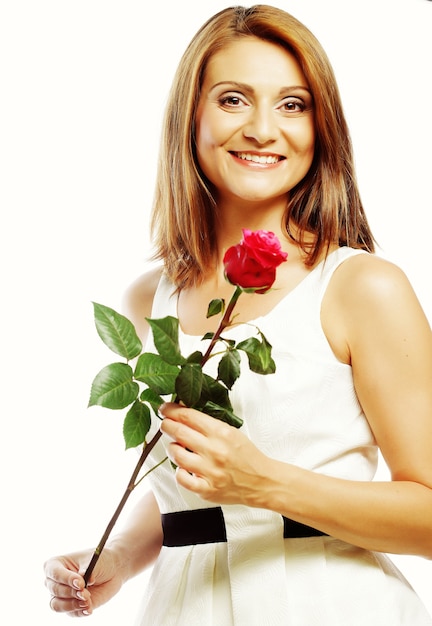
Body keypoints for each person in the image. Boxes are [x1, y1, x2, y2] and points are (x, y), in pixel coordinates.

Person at [44, 5, 432, 624]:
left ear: (321, 126)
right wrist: (117, 555)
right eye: (232, 100)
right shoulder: (150, 300)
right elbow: (191, 480)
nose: (261, 129)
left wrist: (265, 482)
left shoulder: (362, 288)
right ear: (190, 116)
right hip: (181, 607)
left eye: (293, 104)